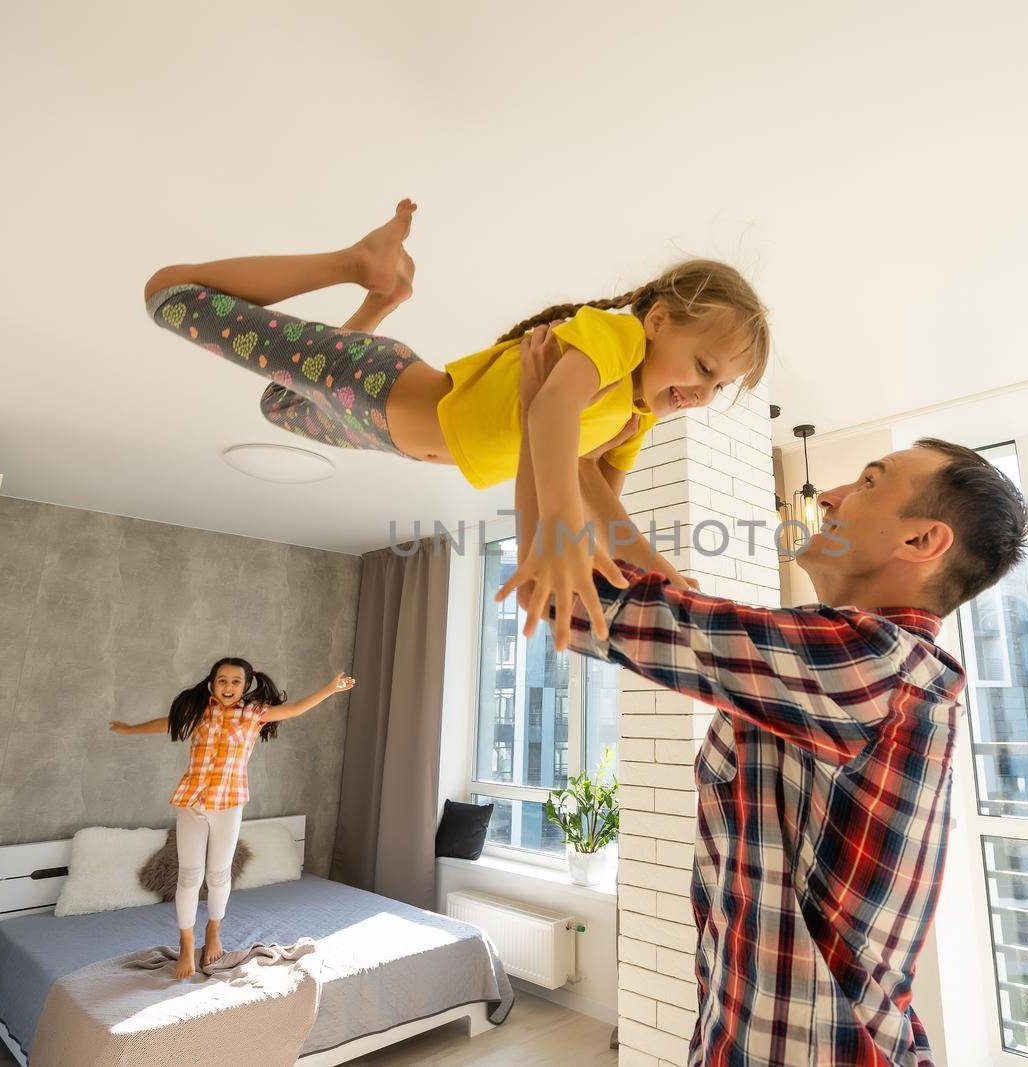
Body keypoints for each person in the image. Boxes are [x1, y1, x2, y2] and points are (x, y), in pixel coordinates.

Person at [507, 324, 1028, 1065]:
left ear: (921, 543)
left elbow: (572, 600)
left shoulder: (871, 668)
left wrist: (539, 414)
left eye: (873, 482)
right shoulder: (844, 662)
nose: (838, 493)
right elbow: (653, 591)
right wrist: (591, 447)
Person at [142, 201, 771, 626]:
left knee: (277, 406)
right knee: (168, 294)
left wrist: (670, 582)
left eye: (721, 388)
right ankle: (353, 264)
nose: (703, 393)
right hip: (374, 383)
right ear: (659, 321)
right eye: (705, 368)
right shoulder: (616, 337)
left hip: (387, 435)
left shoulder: (633, 415)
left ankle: (381, 297)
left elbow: (603, 503)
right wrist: (550, 538)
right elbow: (549, 409)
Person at [109, 657, 354, 978]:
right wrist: (129, 730)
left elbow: (295, 710)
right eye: (222, 680)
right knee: (189, 876)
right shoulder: (199, 714)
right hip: (191, 802)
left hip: (228, 804)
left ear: (247, 685)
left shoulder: (253, 715)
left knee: (218, 874)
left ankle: (213, 931)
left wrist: (330, 689)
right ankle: (186, 944)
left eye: (235, 682)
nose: (228, 687)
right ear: (212, 683)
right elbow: (165, 723)